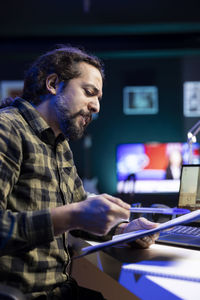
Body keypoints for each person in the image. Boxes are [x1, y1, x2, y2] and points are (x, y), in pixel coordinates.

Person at [0, 45, 159, 299]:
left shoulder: (59, 143)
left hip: (61, 290)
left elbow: (77, 209)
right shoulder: (6, 129)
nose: (96, 107)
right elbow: (74, 214)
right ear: (53, 84)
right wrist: (74, 215)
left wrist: (121, 230)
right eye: (89, 92)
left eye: (98, 98)